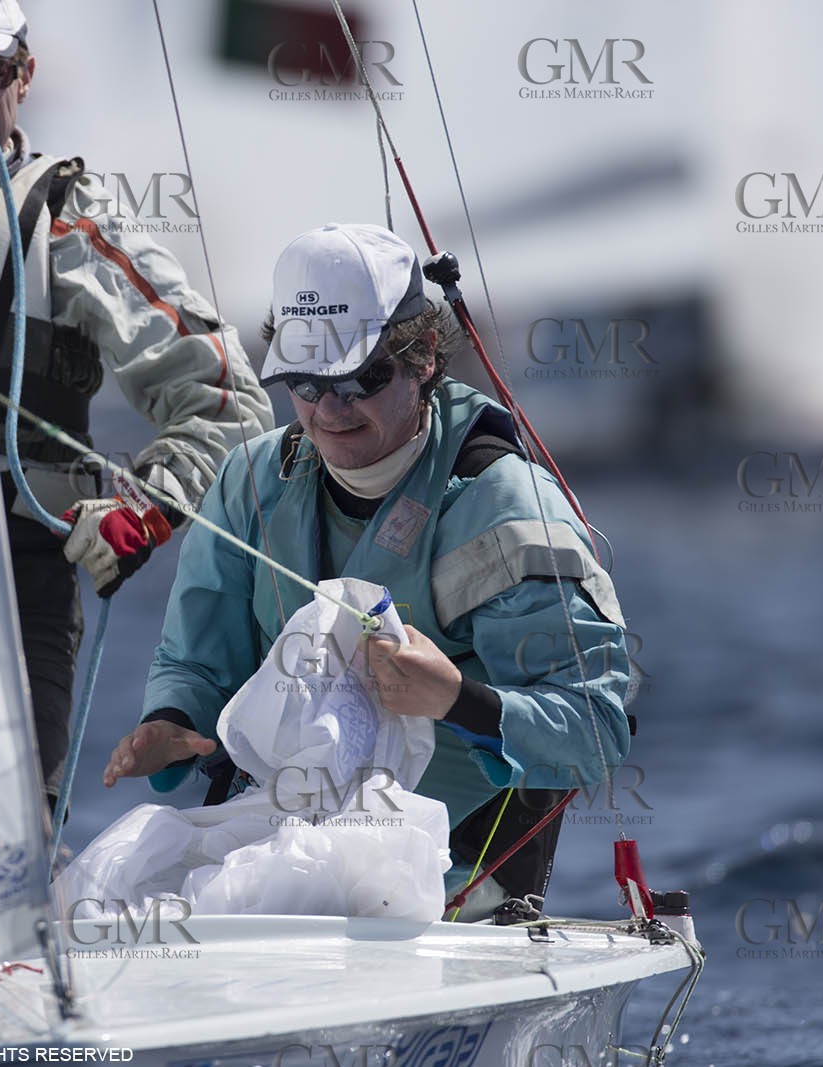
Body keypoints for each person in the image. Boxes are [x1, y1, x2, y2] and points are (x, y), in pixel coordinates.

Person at [102, 223, 632, 911]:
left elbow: (595, 728)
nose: (330, 409)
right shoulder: (249, 482)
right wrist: (171, 723)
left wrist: (454, 700)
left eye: (359, 378)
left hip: (451, 880)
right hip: (272, 848)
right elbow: (196, 663)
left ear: (426, 356)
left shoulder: (503, 506)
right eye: (306, 381)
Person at [0, 0, 271, 806]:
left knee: (1, 855)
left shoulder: (70, 225)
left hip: (18, 587)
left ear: (25, 77)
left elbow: (229, 402)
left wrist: (142, 510)